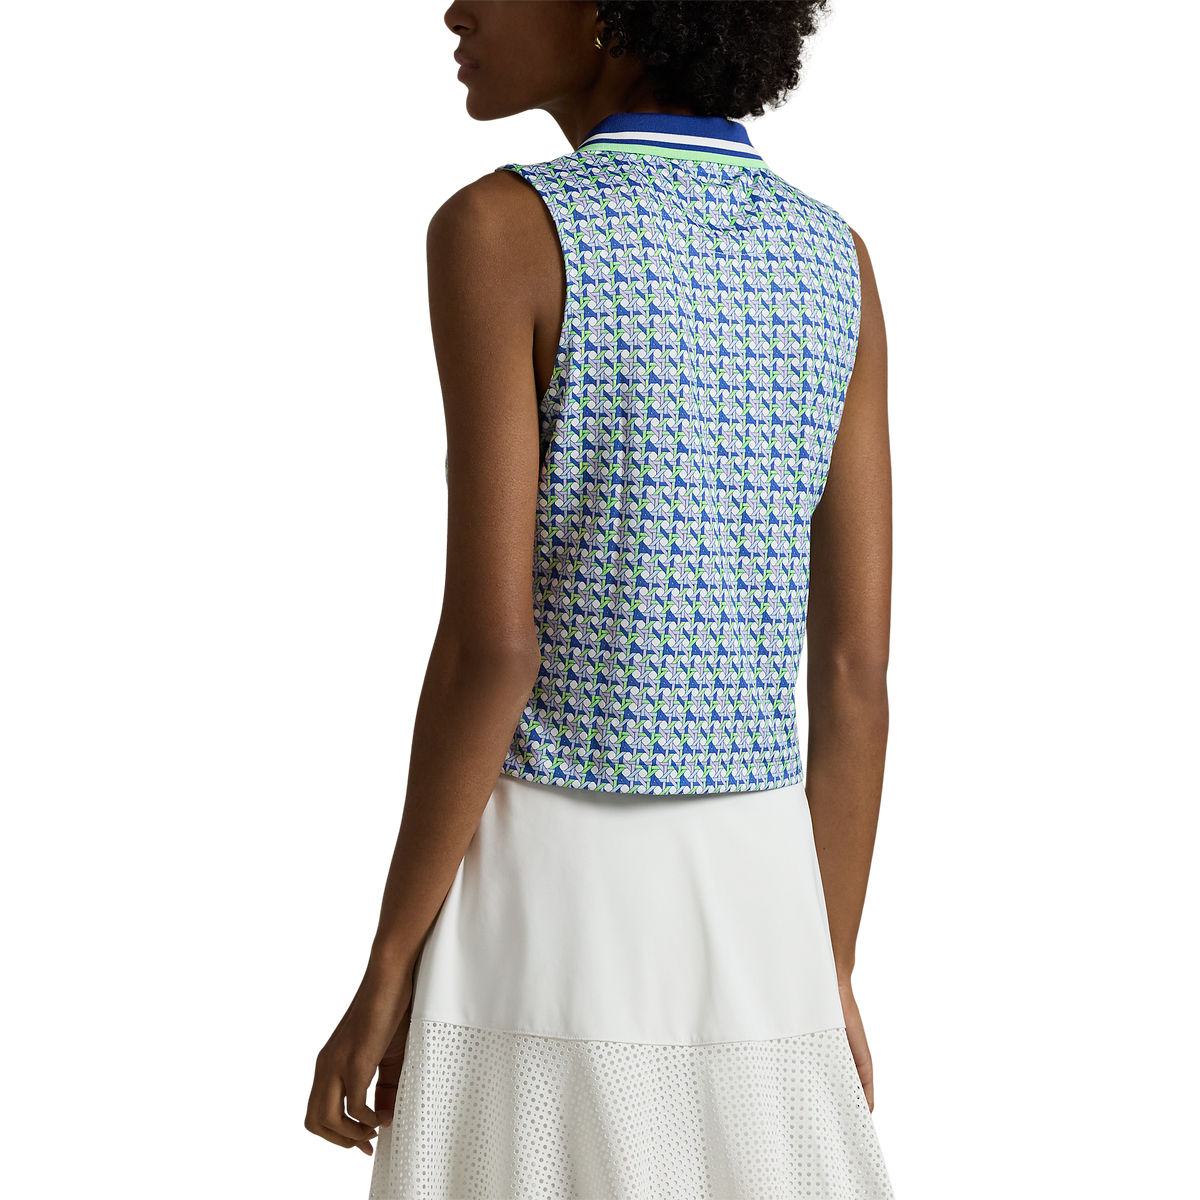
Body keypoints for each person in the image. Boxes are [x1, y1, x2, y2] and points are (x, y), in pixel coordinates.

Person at [302, 1, 895, 1195]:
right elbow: (853, 673)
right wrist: (827, 967)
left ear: (615, 9)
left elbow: (494, 648)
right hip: (762, 883)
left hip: (549, 879)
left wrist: (389, 961)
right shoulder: (836, 251)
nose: (456, 6)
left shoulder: (502, 227)